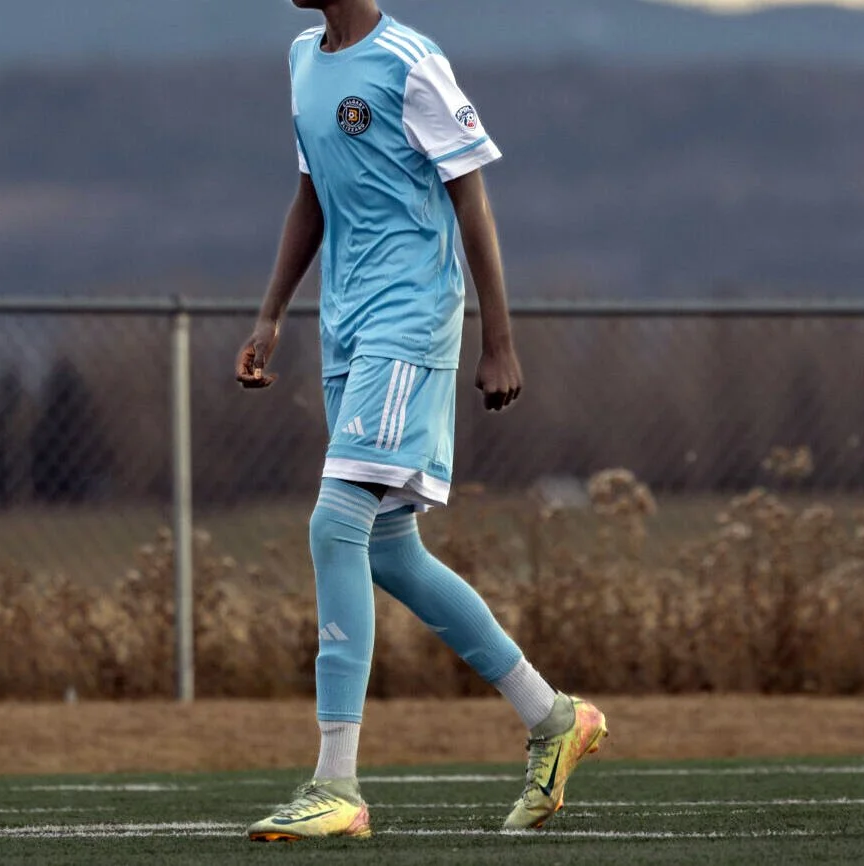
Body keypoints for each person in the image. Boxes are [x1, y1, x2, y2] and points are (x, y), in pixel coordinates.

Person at [236, 0, 607, 842]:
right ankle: (553, 717)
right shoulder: (302, 57)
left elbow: (473, 202)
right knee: (389, 551)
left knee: (335, 526)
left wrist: (498, 340)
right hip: (346, 330)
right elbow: (311, 195)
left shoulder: (411, 62)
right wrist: (271, 315)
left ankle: (336, 785)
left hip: (409, 322)